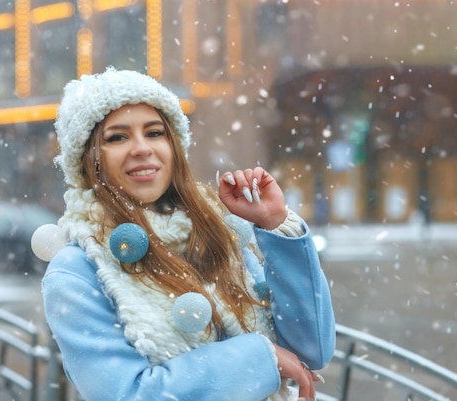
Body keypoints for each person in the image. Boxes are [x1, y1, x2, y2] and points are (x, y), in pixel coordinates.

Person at [40, 67, 336, 401]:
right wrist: (259, 359)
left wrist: (275, 223)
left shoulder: (215, 234)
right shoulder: (79, 271)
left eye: (154, 133)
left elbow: (312, 349)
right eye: (117, 137)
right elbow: (129, 394)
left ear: (174, 146)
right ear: (88, 162)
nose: (141, 148)